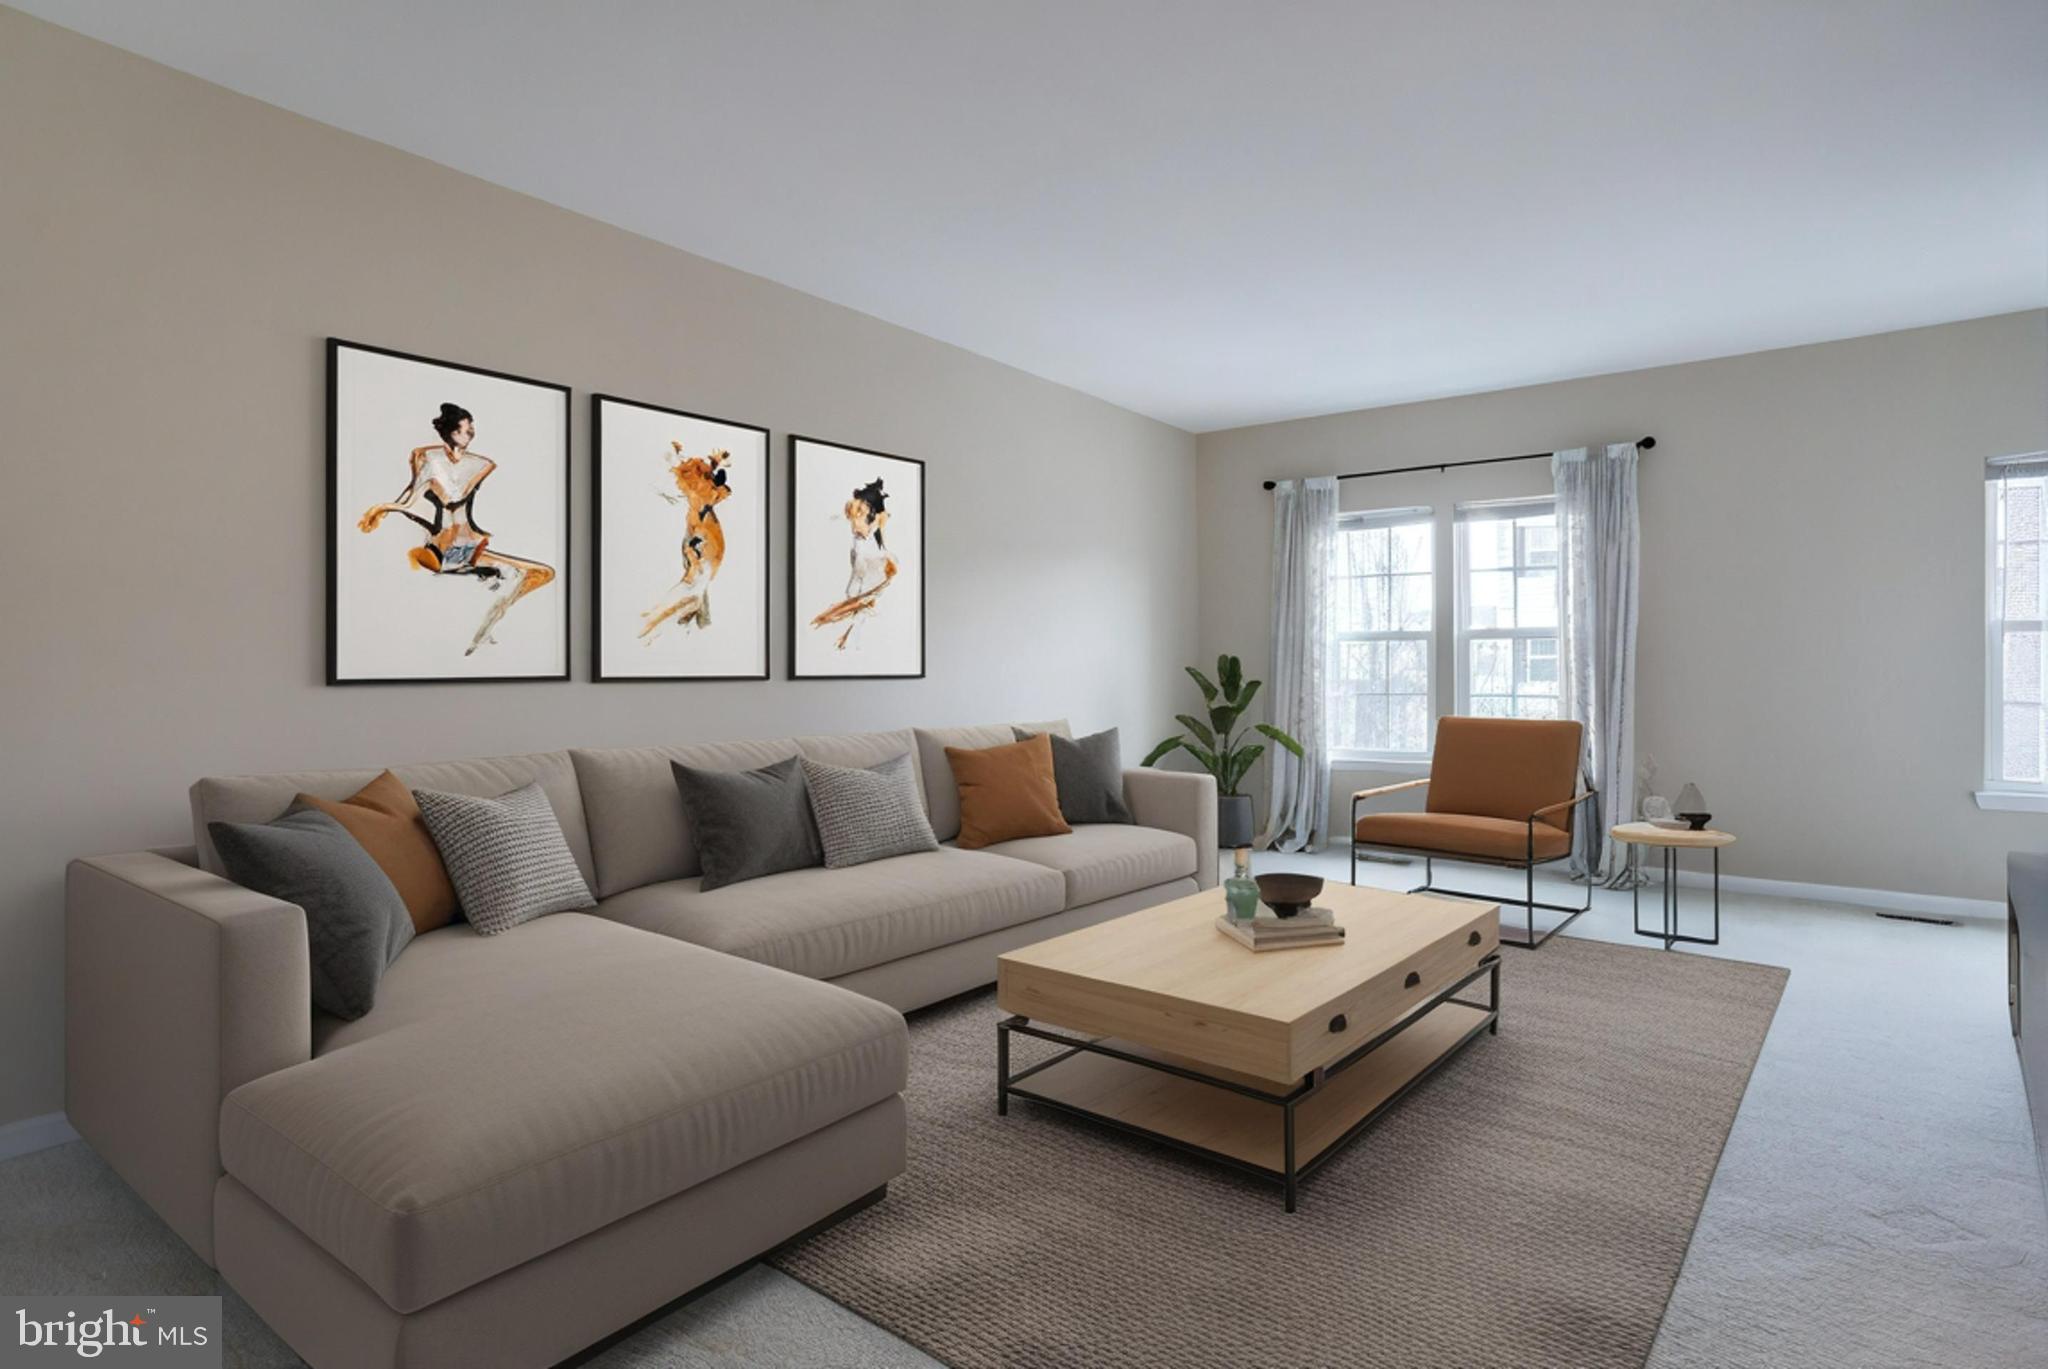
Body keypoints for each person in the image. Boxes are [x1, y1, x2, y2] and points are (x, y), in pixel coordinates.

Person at [357, 402, 555, 656]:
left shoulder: (479, 464)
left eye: (472, 429)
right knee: (518, 575)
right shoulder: (429, 458)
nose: (471, 433)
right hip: (441, 546)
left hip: (469, 543)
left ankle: (486, 627)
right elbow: (413, 496)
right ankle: (482, 630)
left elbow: (457, 496)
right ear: (452, 431)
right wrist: (384, 508)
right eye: (466, 429)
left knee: (541, 573)